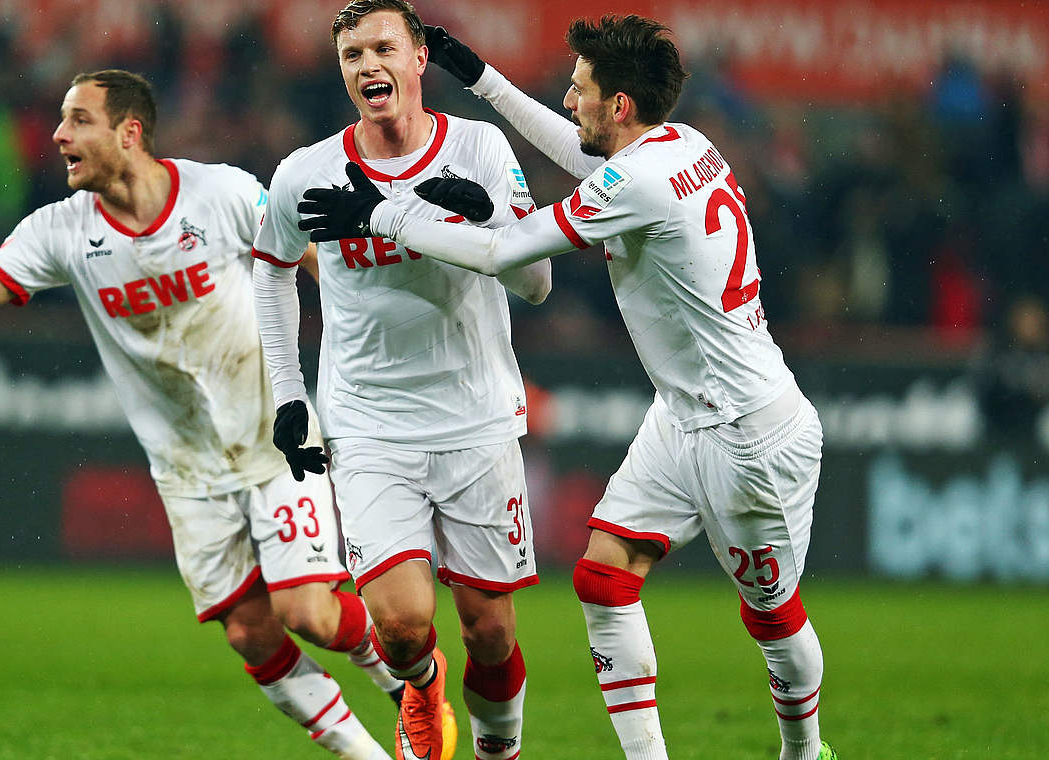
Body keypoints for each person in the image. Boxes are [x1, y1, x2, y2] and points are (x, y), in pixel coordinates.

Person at [297, 15, 837, 760]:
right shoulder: (682, 146)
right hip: (684, 417)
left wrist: (380, 213)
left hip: (748, 433)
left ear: (617, 105)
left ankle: (806, 751)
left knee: (773, 616)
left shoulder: (639, 181)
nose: (568, 99)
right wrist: (481, 77)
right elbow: (577, 151)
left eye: (579, 90)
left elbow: (508, 255)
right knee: (602, 579)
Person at [0, 69, 403, 760]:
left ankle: (408, 680)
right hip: (185, 467)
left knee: (309, 615)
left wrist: (364, 356)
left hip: (277, 440)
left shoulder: (222, 193)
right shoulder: (60, 231)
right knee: (248, 633)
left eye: (78, 120)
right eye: (62, 120)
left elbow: (314, 260)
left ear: (130, 131)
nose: (59, 134)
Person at [251, 2, 553, 758]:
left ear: (421, 59)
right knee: (401, 624)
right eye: (352, 54)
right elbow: (272, 271)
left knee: (490, 629)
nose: (368, 65)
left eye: (384, 47)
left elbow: (539, 283)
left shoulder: (480, 148)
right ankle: (419, 687)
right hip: (369, 423)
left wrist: (476, 223)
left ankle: (498, 751)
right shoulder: (305, 173)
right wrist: (288, 391)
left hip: (475, 419)